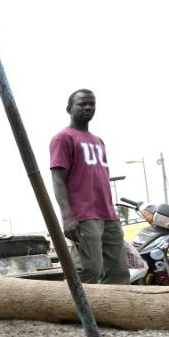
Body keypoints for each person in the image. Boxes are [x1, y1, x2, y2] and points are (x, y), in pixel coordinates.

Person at [50, 89, 129, 284]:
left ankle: (109, 306)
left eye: (91, 104)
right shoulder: (63, 138)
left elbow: (101, 178)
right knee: (89, 270)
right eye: (82, 104)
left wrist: (113, 212)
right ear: (69, 108)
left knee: (119, 273)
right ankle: (70, 304)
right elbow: (58, 179)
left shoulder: (98, 141)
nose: (88, 107)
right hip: (83, 215)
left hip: (108, 215)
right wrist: (67, 216)